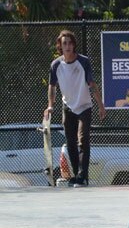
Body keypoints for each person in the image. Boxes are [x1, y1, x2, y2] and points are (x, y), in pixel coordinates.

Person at [44, 30, 106, 187]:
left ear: (74, 45)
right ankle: (76, 174)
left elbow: (92, 85)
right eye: (64, 43)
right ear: (60, 46)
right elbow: (52, 87)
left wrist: (100, 106)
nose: (67, 46)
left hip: (84, 106)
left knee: (83, 139)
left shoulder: (83, 62)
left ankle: (83, 175)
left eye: (70, 43)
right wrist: (51, 106)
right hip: (68, 107)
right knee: (70, 142)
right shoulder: (56, 65)